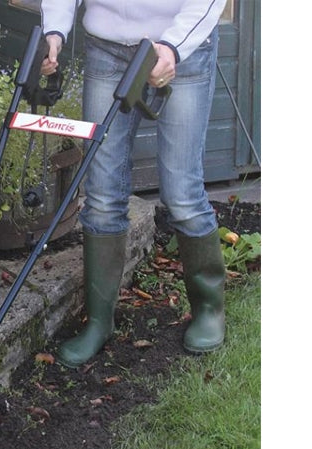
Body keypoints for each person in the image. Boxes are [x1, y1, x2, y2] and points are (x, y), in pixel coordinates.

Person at [40, 0, 228, 367]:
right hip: (107, 49)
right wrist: (54, 32)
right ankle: (99, 321)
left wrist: (173, 47)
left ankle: (209, 309)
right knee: (102, 196)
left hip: (180, 52)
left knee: (182, 195)